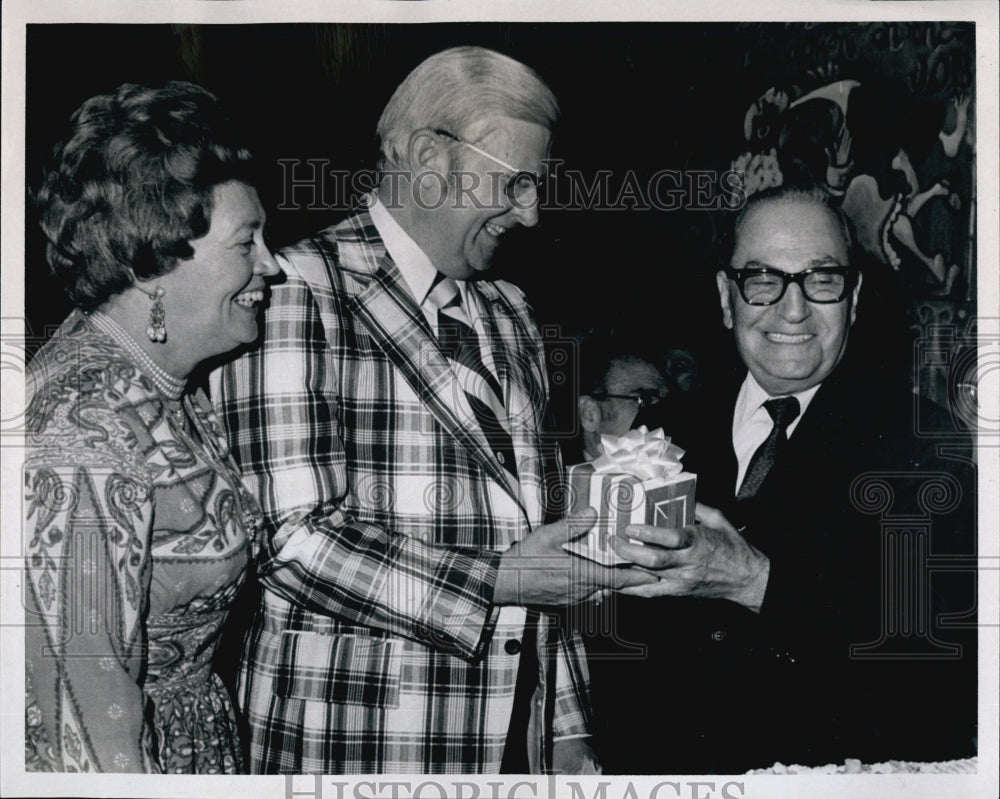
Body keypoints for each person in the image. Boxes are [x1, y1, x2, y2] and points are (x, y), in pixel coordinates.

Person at [213, 46, 655, 775]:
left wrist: (569, 726)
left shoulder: (509, 312)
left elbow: (547, 542)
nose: (533, 213)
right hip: (352, 753)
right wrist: (497, 582)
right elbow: (290, 542)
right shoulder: (295, 290)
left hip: (515, 747)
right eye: (514, 183)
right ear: (425, 154)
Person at [583, 184, 977, 773]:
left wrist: (755, 580)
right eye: (762, 279)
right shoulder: (661, 430)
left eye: (821, 279)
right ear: (725, 297)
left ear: (854, 296)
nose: (792, 310)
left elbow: (944, 681)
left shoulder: (926, 446)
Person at [24, 82, 281, 773]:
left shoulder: (161, 379)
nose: (271, 266)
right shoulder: (82, 432)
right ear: (152, 264)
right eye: (246, 244)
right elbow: (82, 716)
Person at [567, 334, 668, 464]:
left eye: (663, 403)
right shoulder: (552, 480)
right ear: (589, 414)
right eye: (644, 399)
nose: (660, 414)